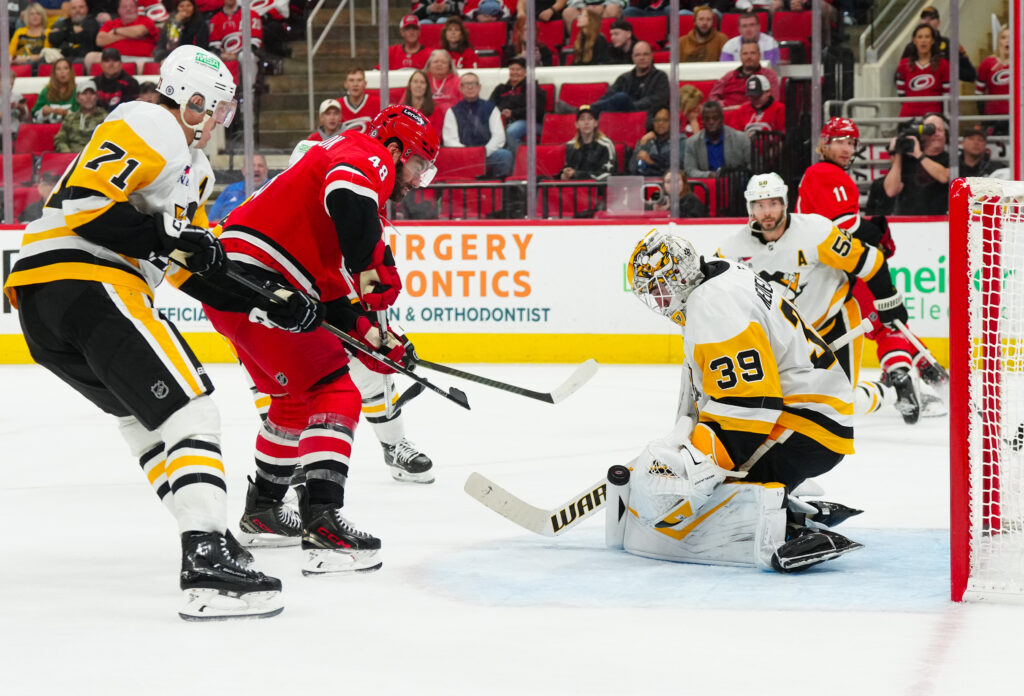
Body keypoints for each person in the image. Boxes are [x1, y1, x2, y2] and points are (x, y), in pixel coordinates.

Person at [2, 45, 286, 621]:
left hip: (49, 305)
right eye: (216, 107)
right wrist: (170, 239)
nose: (217, 121)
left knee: (150, 425)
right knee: (193, 409)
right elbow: (87, 203)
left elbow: (192, 266)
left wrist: (272, 304)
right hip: (87, 279)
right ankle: (205, 558)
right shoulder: (149, 119)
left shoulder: (194, 169)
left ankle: (210, 539)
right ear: (192, 97)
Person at [206, 106, 440, 570]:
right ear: (395, 150)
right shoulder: (368, 153)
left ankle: (265, 512)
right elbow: (349, 199)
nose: (416, 181)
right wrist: (373, 270)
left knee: (293, 402)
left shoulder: (327, 198)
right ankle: (324, 524)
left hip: (236, 285)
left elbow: (332, 296)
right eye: (418, 166)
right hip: (262, 280)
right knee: (335, 389)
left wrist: (373, 335)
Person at [619, 229, 862, 572]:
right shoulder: (720, 271)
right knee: (706, 473)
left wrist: (703, 463)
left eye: (659, 288)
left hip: (809, 425)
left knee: (706, 492)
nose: (658, 301)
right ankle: (791, 508)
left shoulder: (713, 307)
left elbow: (753, 404)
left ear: (679, 278)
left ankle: (785, 528)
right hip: (814, 407)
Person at [717, 172, 919, 422]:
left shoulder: (815, 232)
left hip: (834, 325)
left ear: (785, 203)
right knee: (779, 406)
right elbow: (719, 296)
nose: (767, 212)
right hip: (786, 339)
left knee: (841, 406)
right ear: (750, 208)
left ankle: (889, 391)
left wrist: (888, 300)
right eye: (760, 205)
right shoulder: (730, 249)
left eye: (773, 203)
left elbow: (869, 260)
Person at [796, 117, 945, 423]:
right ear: (824, 143)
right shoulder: (823, 172)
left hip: (835, 269)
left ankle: (918, 373)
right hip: (835, 269)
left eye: (851, 142)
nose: (847, 148)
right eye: (840, 140)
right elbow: (842, 226)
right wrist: (876, 233)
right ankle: (905, 377)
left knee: (886, 320)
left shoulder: (825, 174)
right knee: (887, 322)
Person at [444, 72, 513, 178]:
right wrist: (468, 153)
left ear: (479, 87)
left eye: (474, 84)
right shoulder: (452, 111)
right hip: (463, 156)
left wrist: (483, 152)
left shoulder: (491, 108)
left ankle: (500, 190)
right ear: (460, 88)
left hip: (486, 154)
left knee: (505, 155)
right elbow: (450, 140)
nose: (470, 87)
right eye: (466, 84)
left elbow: (499, 137)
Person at [881, 112, 950, 215]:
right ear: (922, 135)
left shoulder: (950, 159)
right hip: (908, 221)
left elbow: (944, 177)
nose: (936, 134)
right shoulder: (907, 159)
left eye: (939, 130)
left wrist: (918, 154)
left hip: (938, 222)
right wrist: (898, 154)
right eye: (930, 130)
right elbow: (891, 191)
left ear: (946, 135)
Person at [591, 41, 668, 117]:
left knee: (622, 97)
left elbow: (658, 100)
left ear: (652, 56)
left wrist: (630, 104)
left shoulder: (660, 77)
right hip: (622, 116)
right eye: (638, 55)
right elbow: (608, 96)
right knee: (619, 98)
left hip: (646, 116)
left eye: (646, 54)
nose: (642, 58)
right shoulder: (624, 78)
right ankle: (590, 110)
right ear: (632, 57)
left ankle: (589, 110)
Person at [488, 56, 547, 155]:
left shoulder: (533, 88)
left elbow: (537, 110)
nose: (514, 72)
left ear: (525, 72)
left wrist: (513, 113)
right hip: (502, 121)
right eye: (512, 69)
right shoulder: (501, 88)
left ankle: (521, 162)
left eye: (518, 69)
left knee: (512, 131)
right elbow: (490, 106)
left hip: (529, 122)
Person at [894, 23, 949, 119]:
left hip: (933, 116)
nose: (923, 40)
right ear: (914, 40)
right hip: (908, 115)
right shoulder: (904, 64)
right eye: (920, 37)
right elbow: (901, 93)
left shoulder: (943, 65)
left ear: (932, 40)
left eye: (927, 37)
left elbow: (947, 94)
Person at [683, 100, 749, 178]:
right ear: (702, 121)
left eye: (715, 118)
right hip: (707, 186)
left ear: (722, 118)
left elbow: (751, 166)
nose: (711, 122)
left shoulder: (741, 139)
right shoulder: (692, 142)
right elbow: (690, 170)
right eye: (707, 119)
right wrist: (709, 175)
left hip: (736, 185)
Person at [709, 40, 780, 111]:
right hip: (727, 112)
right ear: (740, 56)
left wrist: (742, 108)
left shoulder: (769, 75)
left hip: (753, 113)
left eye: (753, 53)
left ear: (759, 55)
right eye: (745, 54)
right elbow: (713, 96)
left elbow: (773, 100)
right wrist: (723, 106)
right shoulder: (729, 75)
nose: (749, 57)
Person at [913, 5, 976, 84]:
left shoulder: (950, 44)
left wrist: (947, 66)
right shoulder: (912, 46)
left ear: (938, 22)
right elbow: (902, 74)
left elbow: (971, 75)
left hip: (943, 92)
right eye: (924, 18)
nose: (927, 21)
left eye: (932, 18)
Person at [90, 0, 159, 69]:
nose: (128, 9)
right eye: (124, 7)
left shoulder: (147, 21)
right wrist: (129, 34)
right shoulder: (110, 23)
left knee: (142, 65)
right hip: (113, 59)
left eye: (131, 6)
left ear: (137, 9)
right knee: (91, 57)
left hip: (141, 59)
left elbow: (138, 32)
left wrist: (115, 31)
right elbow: (100, 41)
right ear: (119, 10)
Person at [559, 104, 615, 181]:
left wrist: (577, 174)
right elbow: (567, 168)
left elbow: (608, 174)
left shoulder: (606, 145)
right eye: (582, 119)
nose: (586, 122)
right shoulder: (570, 145)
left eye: (590, 118)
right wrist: (564, 174)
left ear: (596, 123)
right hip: (575, 188)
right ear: (577, 124)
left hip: (597, 189)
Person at [207, 153, 269, 222]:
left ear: (266, 170)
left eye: (260, 166)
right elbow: (211, 220)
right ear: (243, 170)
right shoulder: (230, 190)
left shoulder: (274, 189)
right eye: (252, 165)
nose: (256, 169)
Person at [53, 78, 107, 152]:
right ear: (77, 98)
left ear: (97, 96)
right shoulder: (70, 118)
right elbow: (60, 139)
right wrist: (67, 154)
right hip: (72, 157)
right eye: (84, 93)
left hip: (95, 157)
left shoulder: (106, 118)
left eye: (92, 93)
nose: (88, 97)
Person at [629, 107, 684, 177]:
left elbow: (675, 169)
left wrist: (651, 162)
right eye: (657, 120)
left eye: (665, 120)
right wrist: (642, 143)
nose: (660, 123)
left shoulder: (680, 141)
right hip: (647, 182)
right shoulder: (647, 140)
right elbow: (632, 168)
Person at [975, 26, 1010, 135]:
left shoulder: (1021, 62)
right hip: (993, 116)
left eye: (1011, 37)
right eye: (1004, 37)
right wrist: (984, 119)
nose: (1008, 41)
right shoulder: (987, 64)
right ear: (998, 40)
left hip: (1018, 116)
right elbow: (978, 94)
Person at [209, 0, 263, 65]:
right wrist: (221, 54)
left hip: (246, 54)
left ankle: (249, 75)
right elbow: (214, 44)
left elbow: (256, 42)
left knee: (246, 56)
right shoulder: (215, 19)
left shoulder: (251, 14)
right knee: (212, 57)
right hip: (224, 55)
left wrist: (237, 55)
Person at [31, 57, 78, 124]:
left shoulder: (78, 91)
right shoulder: (46, 91)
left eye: (66, 68)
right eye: (58, 69)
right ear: (54, 73)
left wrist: (66, 113)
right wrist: (43, 113)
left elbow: (83, 117)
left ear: (71, 71)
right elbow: (34, 117)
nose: (62, 72)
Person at [399, 69, 444, 135]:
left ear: (427, 87)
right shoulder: (401, 110)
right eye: (415, 82)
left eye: (422, 82)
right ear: (410, 85)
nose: (418, 85)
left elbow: (436, 136)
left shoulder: (436, 110)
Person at [339, 68, 381, 134]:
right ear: (345, 84)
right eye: (351, 80)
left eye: (359, 80)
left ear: (365, 84)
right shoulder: (337, 106)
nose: (355, 84)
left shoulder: (378, 103)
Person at [426, 49, 461, 115]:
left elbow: (463, 105)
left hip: (451, 118)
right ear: (429, 64)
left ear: (449, 66)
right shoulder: (422, 80)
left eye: (443, 62)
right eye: (435, 62)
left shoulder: (458, 81)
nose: (439, 64)